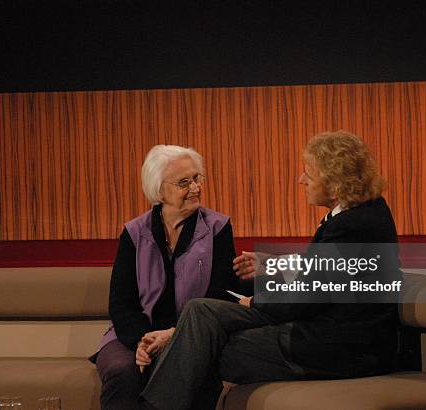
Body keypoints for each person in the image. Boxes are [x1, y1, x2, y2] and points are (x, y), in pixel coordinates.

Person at [139, 131, 401, 410]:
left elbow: (307, 298)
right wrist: (274, 264)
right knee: (199, 311)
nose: (302, 180)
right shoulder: (356, 215)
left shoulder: (355, 225)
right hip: (322, 329)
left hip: (340, 347)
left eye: (308, 174)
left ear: (335, 182)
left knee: (203, 348)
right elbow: (323, 276)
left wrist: (254, 300)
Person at [92, 145, 245, 410]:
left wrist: (174, 336)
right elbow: (121, 302)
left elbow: (220, 295)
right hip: (135, 334)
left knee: (192, 369)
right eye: (184, 182)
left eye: (197, 178)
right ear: (158, 190)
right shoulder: (134, 232)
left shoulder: (218, 228)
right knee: (122, 371)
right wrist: (143, 340)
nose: (195, 188)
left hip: (192, 335)